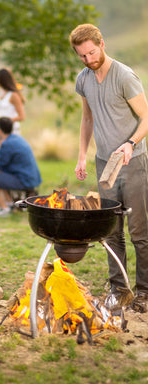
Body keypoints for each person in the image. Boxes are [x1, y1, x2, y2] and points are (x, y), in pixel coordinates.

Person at [69, 23, 148, 313]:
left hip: (134, 161)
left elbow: (146, 117)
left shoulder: (125, 76)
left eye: (92, 52)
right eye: (82, 56)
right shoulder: (83, 79)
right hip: (104, 163)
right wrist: (81, 156)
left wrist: (130, 143)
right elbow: (87, 119)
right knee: (111, 231)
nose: (89, 60)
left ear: (102, 44)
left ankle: (144, 292)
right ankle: (120, 289)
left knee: (139, 231)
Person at [0, 117, 42, 217]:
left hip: (23, 181)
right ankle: (8, 203)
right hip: (29, 178)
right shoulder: (16, 138)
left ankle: (4, 208)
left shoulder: (6, 144)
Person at [0, 68, 26, 136]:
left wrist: (2, 122)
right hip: (0, 129)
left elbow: (22, 117)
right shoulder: (2, 92)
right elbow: (5, 110)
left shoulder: (14, 95)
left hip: (11, 131)